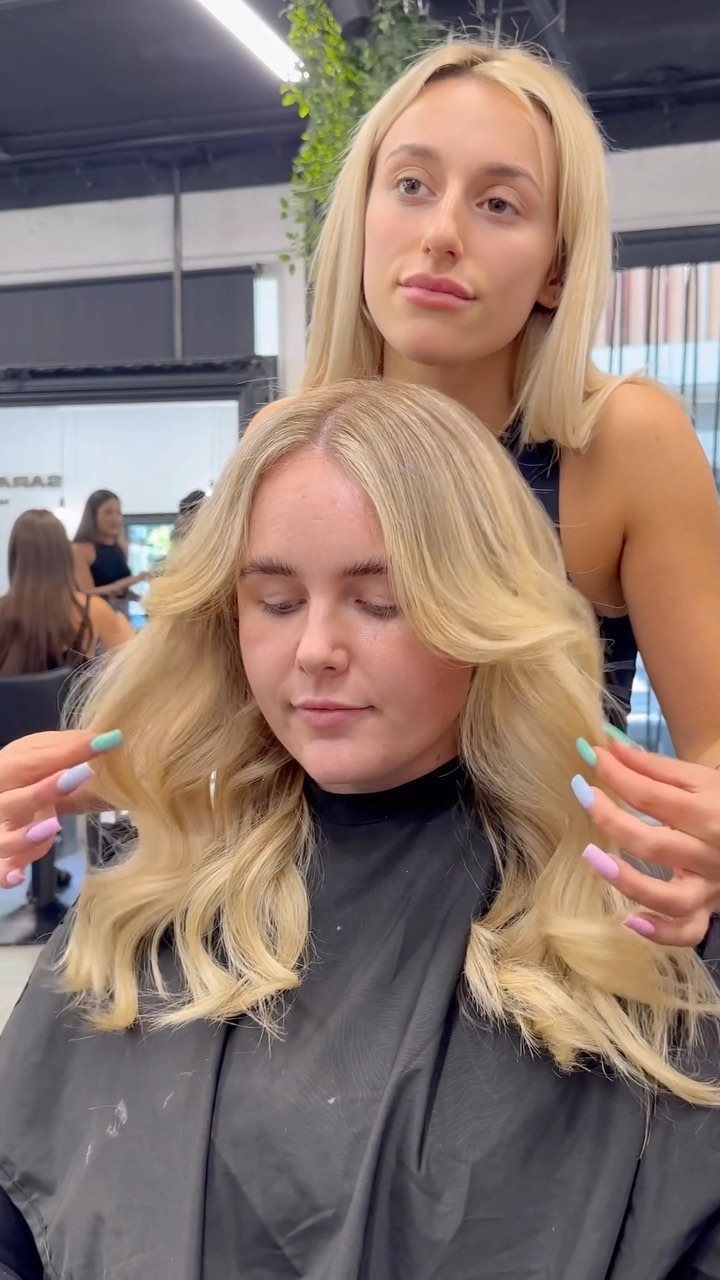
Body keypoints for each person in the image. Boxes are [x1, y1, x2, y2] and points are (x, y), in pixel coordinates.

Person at [2, 382, 720, 1279]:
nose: (315, 651)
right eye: (275, 601)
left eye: (380, 603)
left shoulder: (623, 926)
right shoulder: (146, 906)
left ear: (484, 616)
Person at [251, 39, 720, 770]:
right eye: (412, 185)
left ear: (557, 268)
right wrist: (92, 772)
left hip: (557, 848)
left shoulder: (623, 445)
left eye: (499, 204)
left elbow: (712, 742)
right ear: (361, 216)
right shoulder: (281, 445)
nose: (441, 235)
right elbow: (229, 729)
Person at [0, 509, 132, 676]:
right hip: (73, 695)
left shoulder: (3, 610)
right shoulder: (93, 610)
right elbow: (129, 672)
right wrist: (124, 630)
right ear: (65, 554)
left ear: (15, 557)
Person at [72, 489, 149, 614]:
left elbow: (121, 593)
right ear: (93, 516)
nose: (115, 518)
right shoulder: (80, 549)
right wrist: (126, 582)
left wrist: (144, 599)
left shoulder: (120, 547)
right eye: (108, 512)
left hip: (120, 616)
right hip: (94, 617)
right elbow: (85, 592)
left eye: (118, 513)